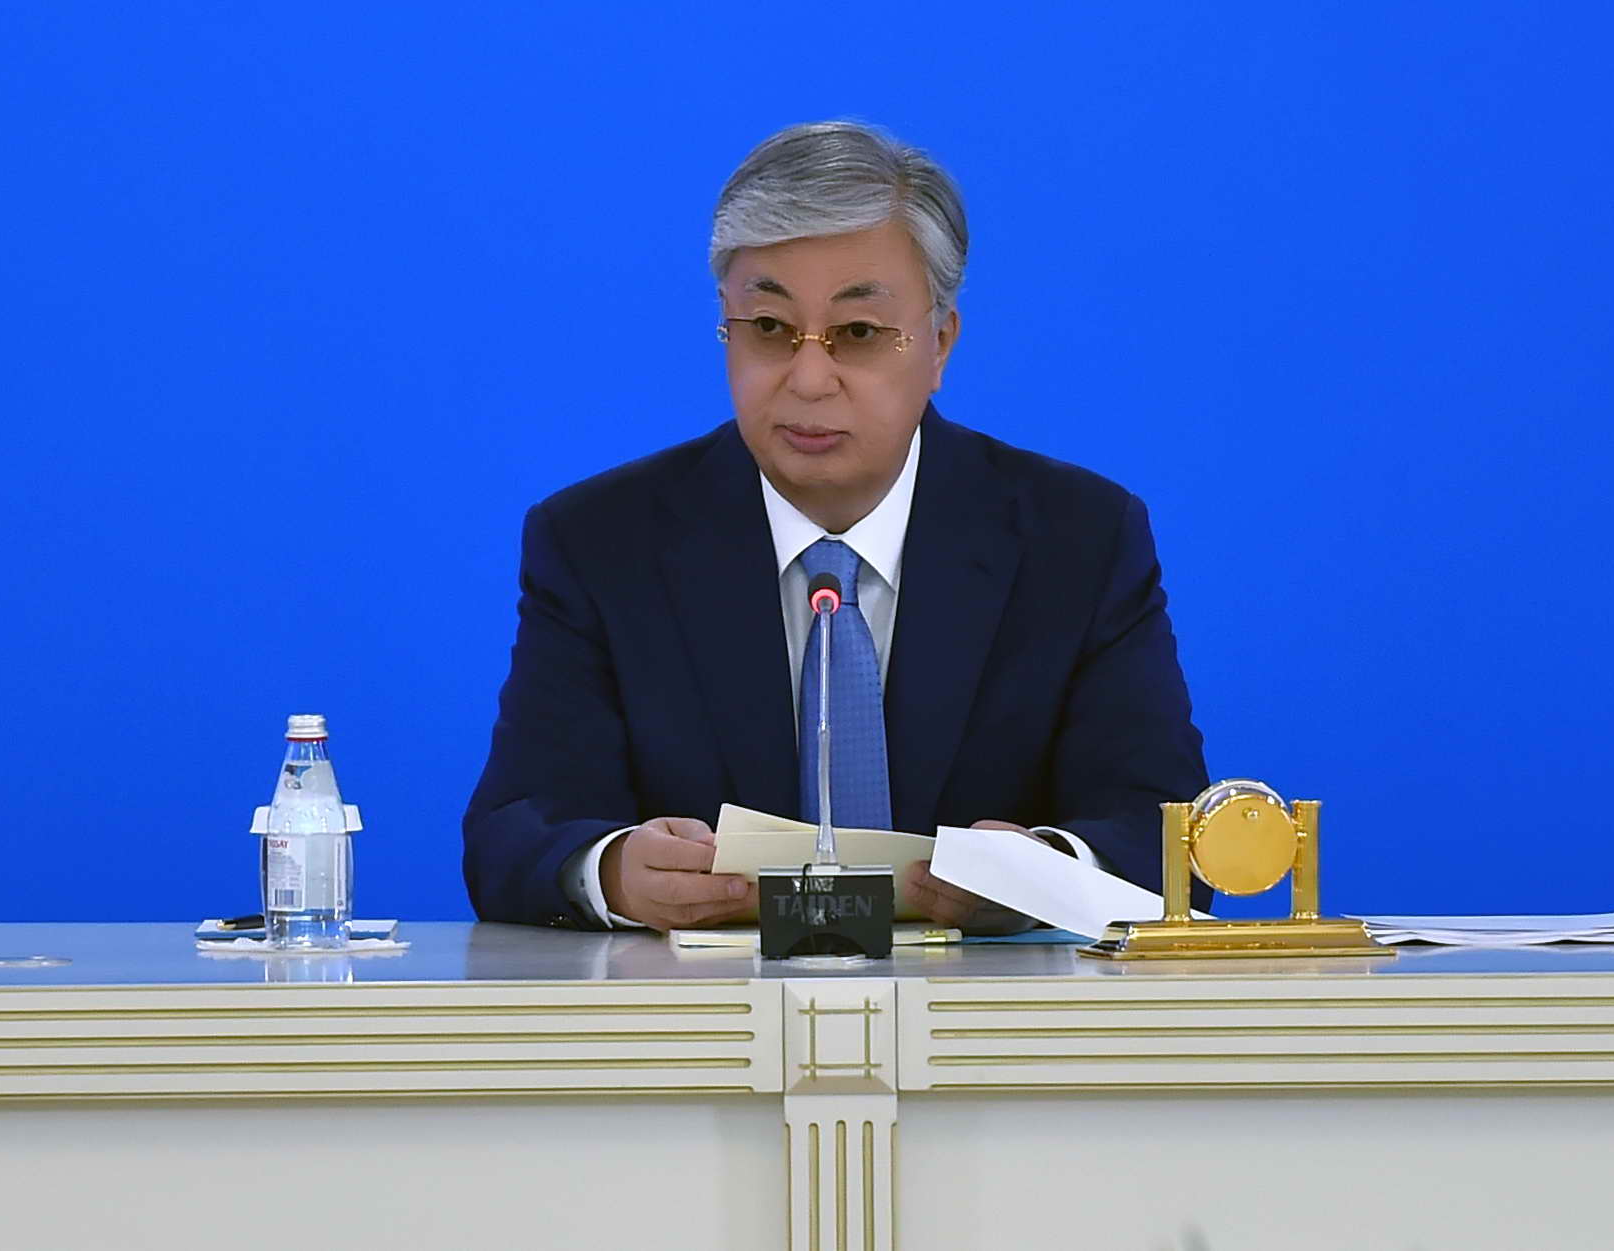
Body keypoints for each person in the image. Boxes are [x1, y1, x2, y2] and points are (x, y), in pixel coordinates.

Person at [462, 121, 1207, 933]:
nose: (809, 379)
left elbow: (1168, 835)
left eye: (857, 334)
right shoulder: (602, 542)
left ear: (939, 344)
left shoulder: (1078, 540)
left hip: (985, 1012)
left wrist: (1044, 874)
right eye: (769, 328)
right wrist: (611, 871)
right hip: (703, 1011)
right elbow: (514, 832)